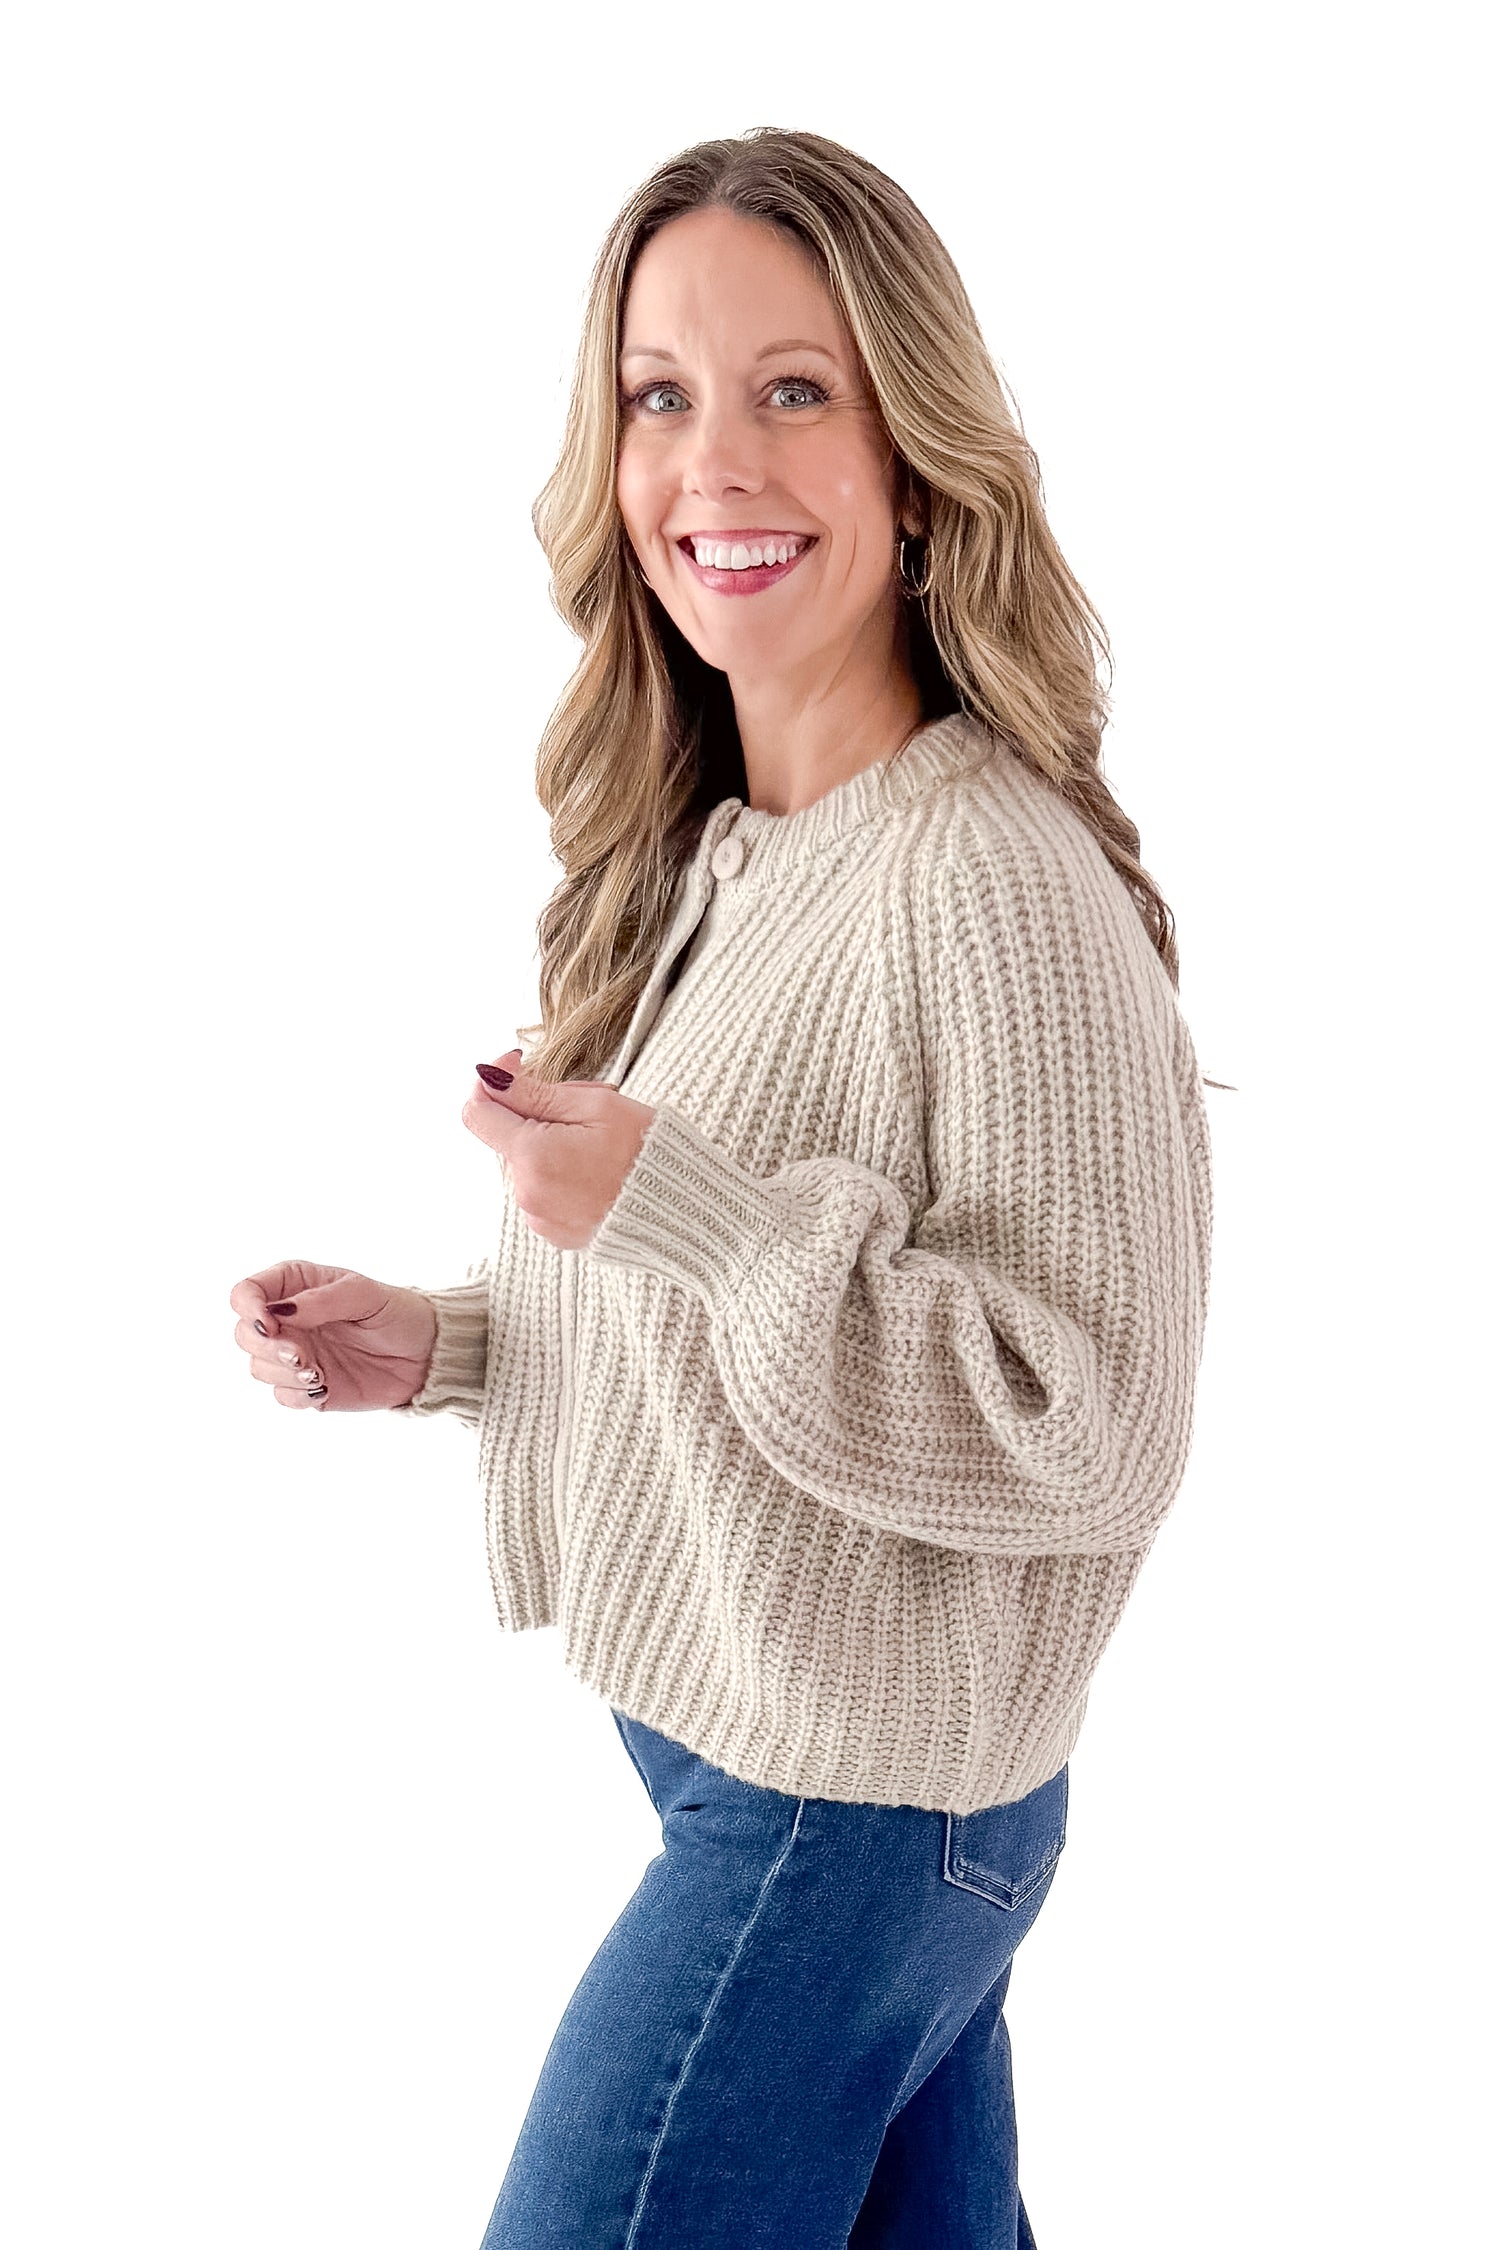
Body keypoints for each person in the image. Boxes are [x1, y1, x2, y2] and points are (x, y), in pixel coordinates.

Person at [229, 127, 1215, 2249]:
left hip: (844, 1813)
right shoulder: (716, 853)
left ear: (916, 457)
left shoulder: (992, 877)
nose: (715, 465)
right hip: (790, 1779)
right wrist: (452, 1346)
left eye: (794, 390)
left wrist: (693, 1210)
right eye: (659, 395)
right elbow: (711, 1292)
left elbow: (1093, 1425)